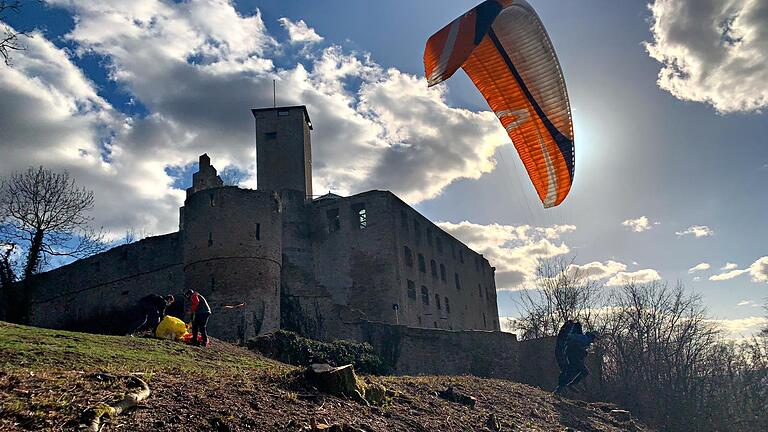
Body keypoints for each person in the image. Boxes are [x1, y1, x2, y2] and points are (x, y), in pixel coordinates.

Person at [554, 320, 576, 392]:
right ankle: (561, 387)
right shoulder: (565, 332)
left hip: (561, 352)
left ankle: (561, 386)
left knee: (566, 370)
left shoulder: (564, 331)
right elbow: (565, 341)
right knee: (565, 370)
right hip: (561, 353)